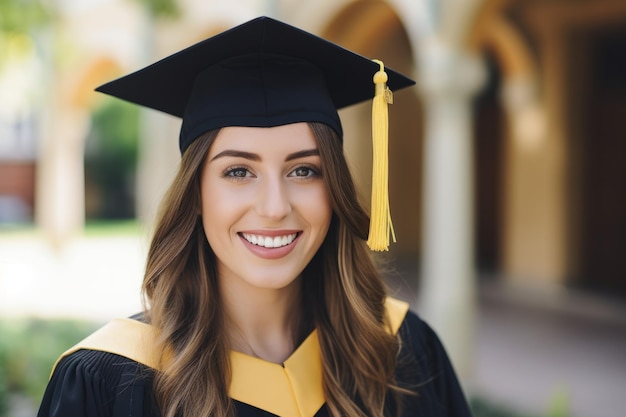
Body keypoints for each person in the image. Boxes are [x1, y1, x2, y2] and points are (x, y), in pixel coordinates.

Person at [37, 16, 472, 417]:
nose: (274, 206)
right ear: (196, 194)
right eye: (238, 171)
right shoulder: (107, 383)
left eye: (304, 170)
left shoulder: (401, 351)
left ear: (334, 187)